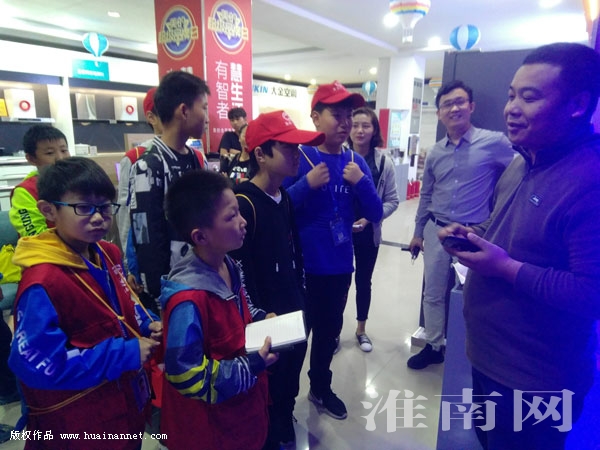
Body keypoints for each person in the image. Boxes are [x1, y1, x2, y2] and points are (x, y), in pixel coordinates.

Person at [440, 42, 600, 450]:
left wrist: (505, 268)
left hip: (535, 382)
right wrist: (472, 233)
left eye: (529, 97)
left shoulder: (589, 179)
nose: (512, 108)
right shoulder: (522, 160)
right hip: (487, 358)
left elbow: (591, 293)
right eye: (512, 95)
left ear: (578, 105)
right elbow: (507, 231)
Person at [8, 157, 162, 450]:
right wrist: (124, 354)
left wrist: (145, 324)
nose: (98, 217)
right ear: (49, 210)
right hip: (80, 423)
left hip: (124, 404)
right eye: (83, 207)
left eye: (104, 207)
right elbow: (34, 365)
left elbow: (122, 304)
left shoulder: (106, 253)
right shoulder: (43, 281)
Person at [283, 81, 383, 420]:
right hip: (302, 269)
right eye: (336, 115)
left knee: (327, 336)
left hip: (340, 267)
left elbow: (376, 212)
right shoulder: (299, 157)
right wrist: (306, 185)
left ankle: (320, 388)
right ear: (315, 117)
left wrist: (361, 182)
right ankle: (284, 404)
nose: (345, 123)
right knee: (296, 340)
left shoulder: (356, 162)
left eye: (348, 116)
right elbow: (278, 209)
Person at [159, 170, 278, 450]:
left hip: (242, 413)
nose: (243, 221)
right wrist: (251, 366)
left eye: (239, 212)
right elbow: (185, 375)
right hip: (212, 428)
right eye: (231, 216)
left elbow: (240, 306)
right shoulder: (188, 299)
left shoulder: (228, 264)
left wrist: (260, 317)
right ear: (200, 236)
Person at [230, 110, 325, 448]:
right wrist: (257, 318)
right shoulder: (243, 203)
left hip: (292, 309)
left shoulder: (283, 196)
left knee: (288, 381)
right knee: (268, 386)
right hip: (265, 319)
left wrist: (301, 298)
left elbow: (291, 251)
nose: (297, 155)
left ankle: (283, 423)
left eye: (297, 148)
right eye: (287, 148)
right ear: (260, 154)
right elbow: (239, 272)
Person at [407, 80, 514, 370]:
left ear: (471, 106)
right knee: (433, 293)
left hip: (474, 233)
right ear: (439, 113)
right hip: (437, 230)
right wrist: (417, 233)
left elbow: (520, 174)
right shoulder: (435, 152)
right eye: (447, 105)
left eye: (459, 102)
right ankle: (433, 346)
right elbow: (426, 195)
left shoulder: (494, 143)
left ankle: (469, 353)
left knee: (472, 295)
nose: (454, 108)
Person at [129, 71, 208, 307]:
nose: (207, 117)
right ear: (184, 111)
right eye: (203, 107)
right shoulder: (148, 165)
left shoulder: (194, 158)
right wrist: (159, 295)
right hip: (171, 291)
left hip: (199, 278)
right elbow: (146, 236)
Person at [347, 107, 399, 352]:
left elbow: (392, 200)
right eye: (355, 125)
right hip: (340, 234)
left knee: (363, 281)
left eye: (365, 125)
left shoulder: (383, 163)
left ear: (374, 129)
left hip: (369, 233)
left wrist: (370, 219)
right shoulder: (340, 157)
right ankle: (333, 331)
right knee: (339, 283)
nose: (359, 130)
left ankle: (361, 329)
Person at [116, 87, 161, 285]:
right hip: (150, 257)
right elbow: (126, 213)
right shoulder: (134, 157)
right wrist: (130, 265)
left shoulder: (196, 157)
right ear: (151, 117)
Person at [9, 124, 70, 237]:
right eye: (50, 153)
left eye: (64, 150)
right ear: (31, 159)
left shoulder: (76, 181)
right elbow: (36, 237)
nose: (60, 158)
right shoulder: (25, 192)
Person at [219, 107, 248, 174]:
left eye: (237, 119)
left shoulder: (251, 135)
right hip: (229, 171)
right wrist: (242, 153)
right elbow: (223, 155)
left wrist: (232, 151)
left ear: (245, 119)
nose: (235, 122)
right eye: (232, 120)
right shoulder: (228, 135)